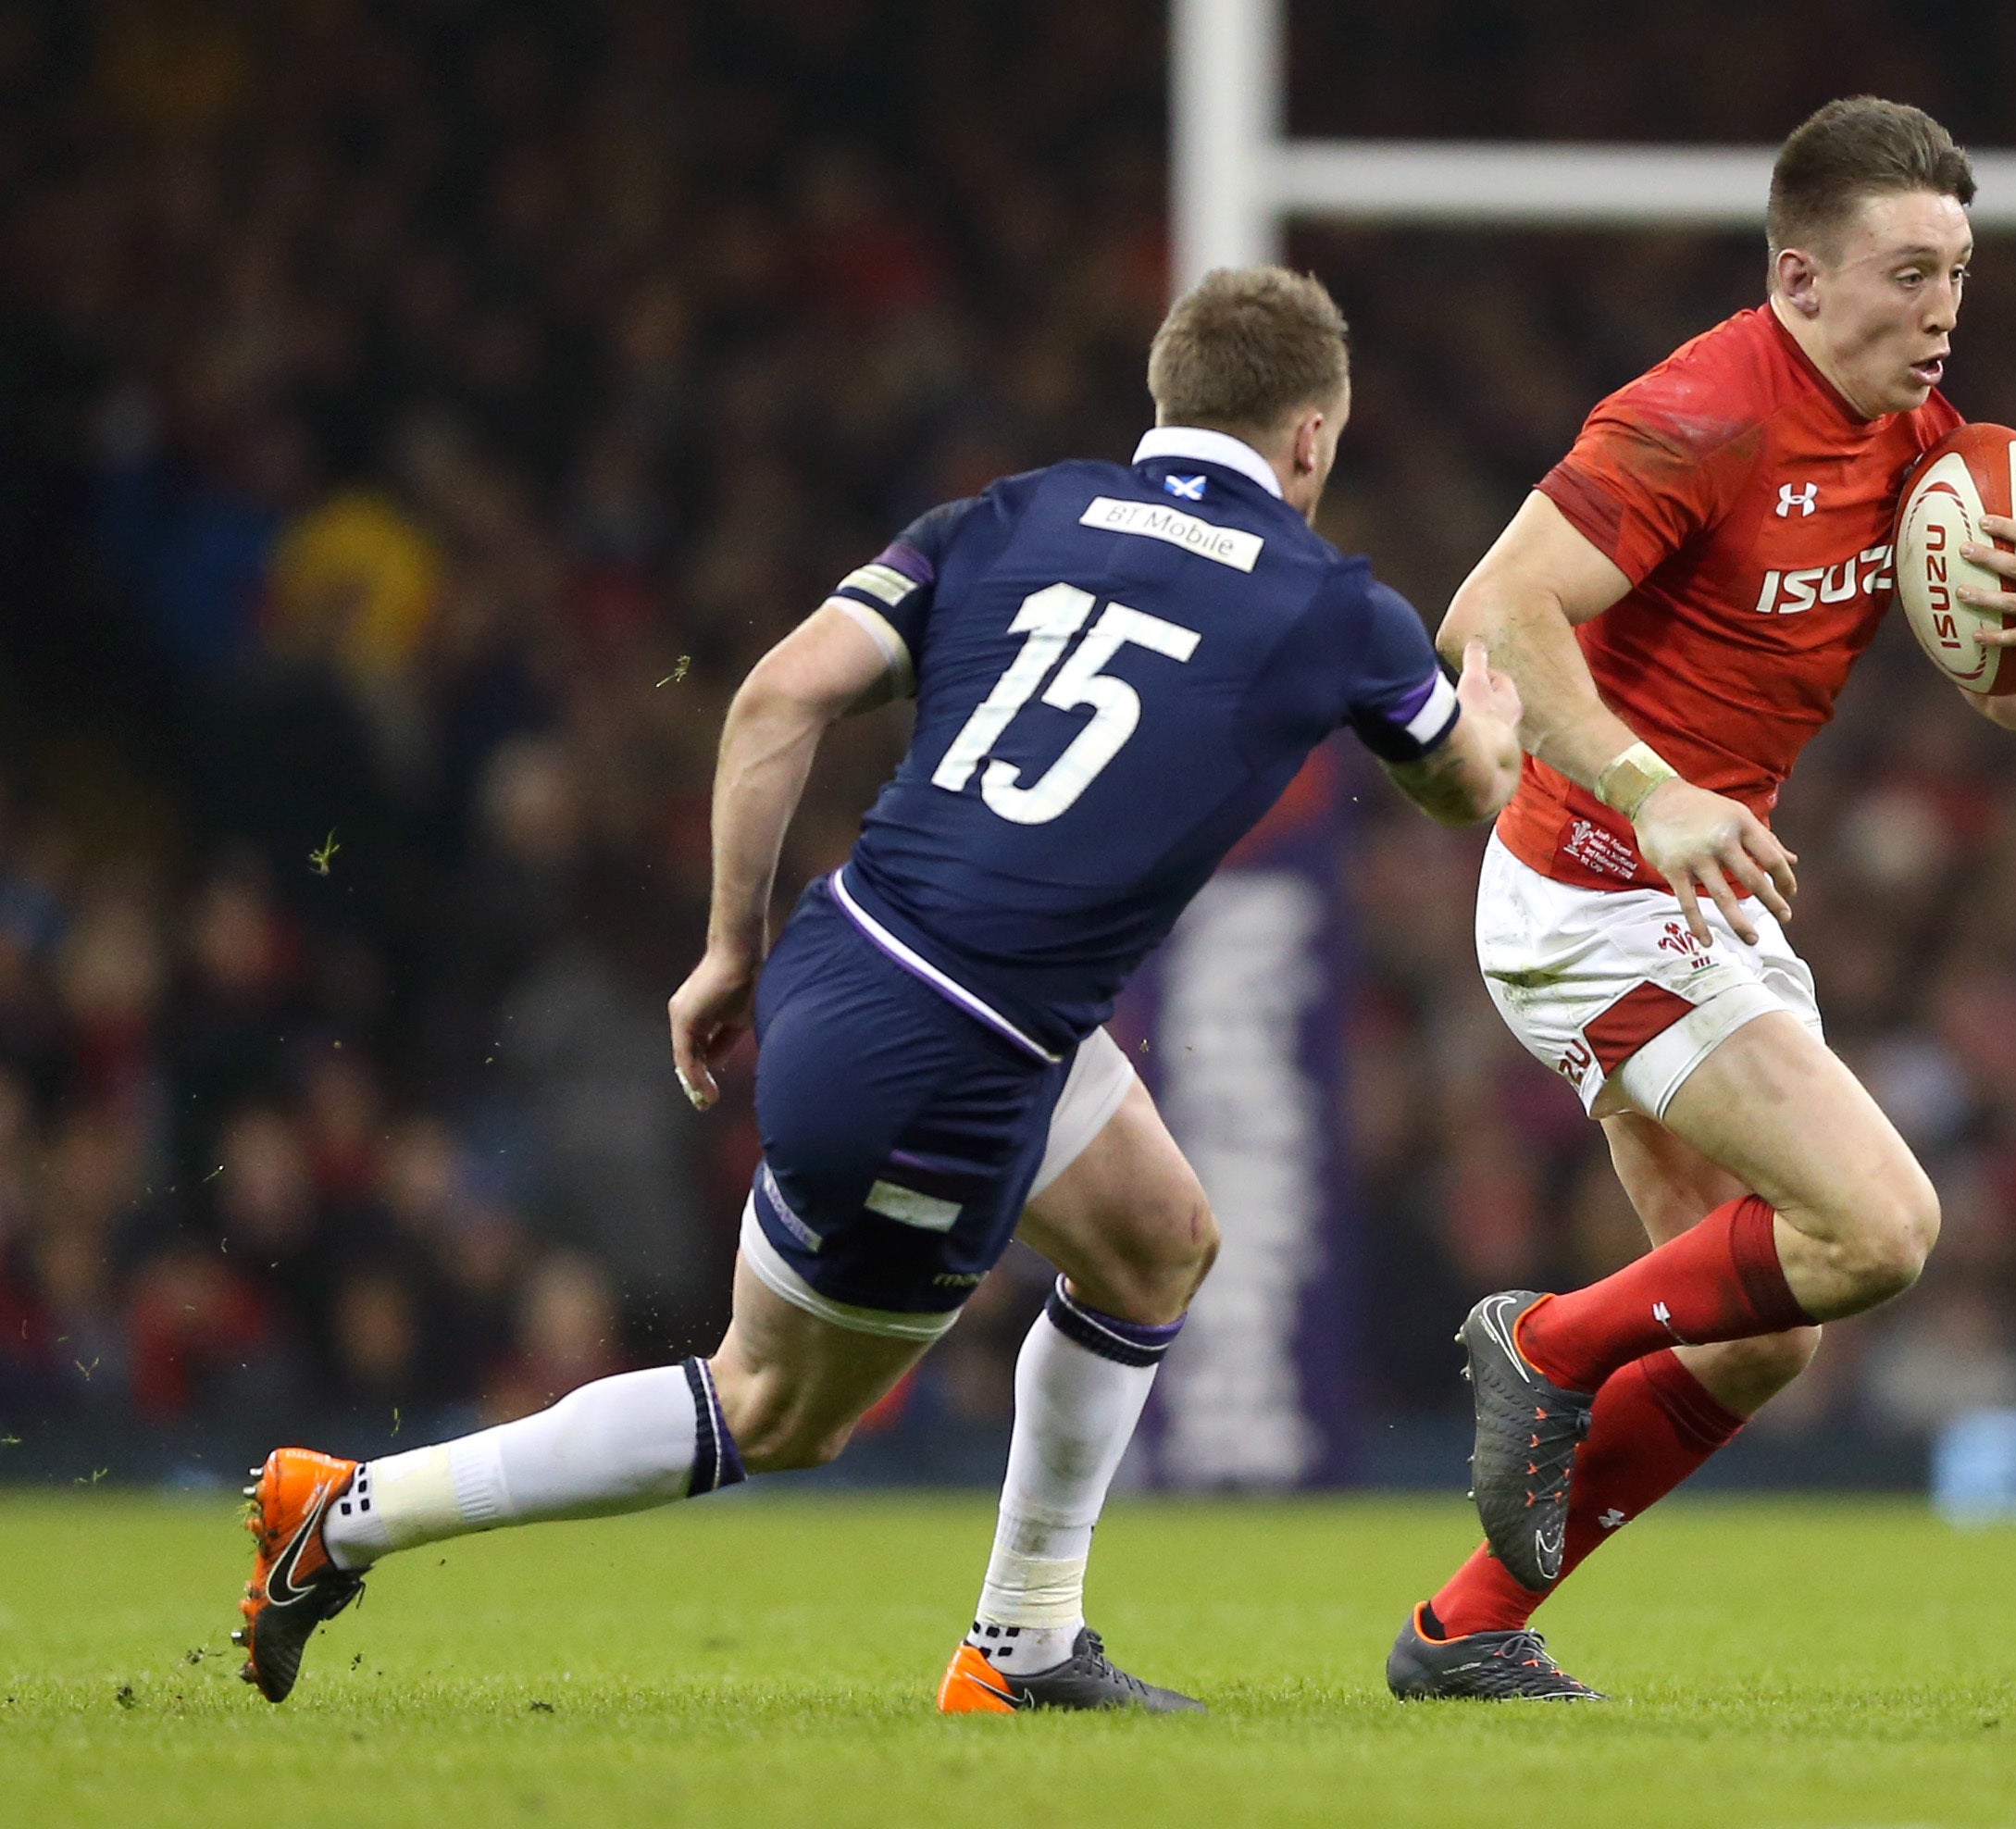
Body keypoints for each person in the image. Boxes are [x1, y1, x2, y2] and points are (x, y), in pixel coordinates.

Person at [231, 266, 1524, 1709]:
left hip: (866, 953)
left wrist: (732, 945)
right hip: (955, 1055)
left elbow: (780, 692)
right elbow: (1461, 788)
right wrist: (1499, 714)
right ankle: (343, 1512)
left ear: (1163, 403)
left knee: (1156, 1239)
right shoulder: (1332, 603)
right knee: (773, 1408)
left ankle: (1025, 1643)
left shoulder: (1012, 511)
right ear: (1312, 441)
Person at [1388, 97, 2016, 1701]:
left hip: (1699, 904)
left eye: (1958, 273)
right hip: (1593, 888)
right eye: (1906, 273)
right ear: (1800, 279)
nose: (1941, 310)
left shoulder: (1937, 459)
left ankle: (1465, 1633)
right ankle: (1545, 1346)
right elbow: (1493, 611)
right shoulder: (1705, 409)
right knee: (1879, 1226)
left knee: (1757, 1335)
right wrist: (1654, 790)